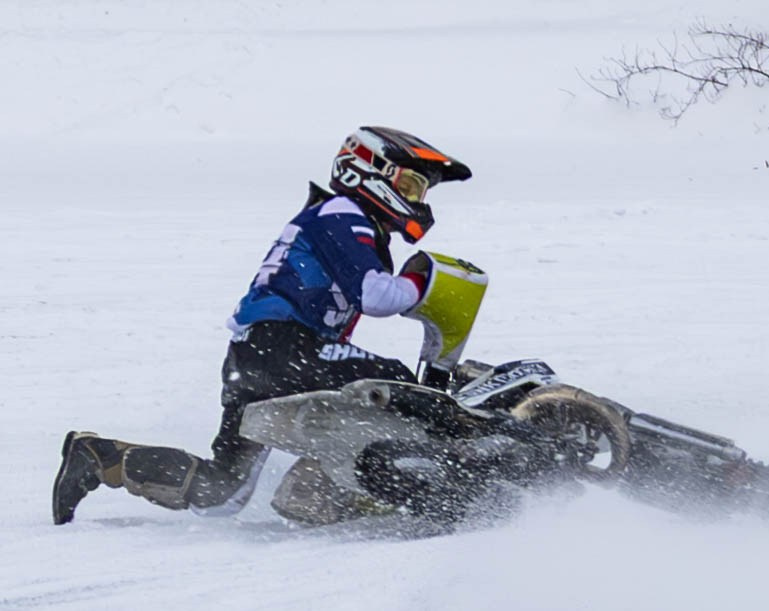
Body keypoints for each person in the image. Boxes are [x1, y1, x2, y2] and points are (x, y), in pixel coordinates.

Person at [52, 126, 472, 525]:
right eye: (411, 186)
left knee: (223, 492)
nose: (416, 199)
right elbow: (376, 295)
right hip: (287, 347)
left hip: (253, 356)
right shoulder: (344, 213)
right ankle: (405, 479)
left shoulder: (333, 216)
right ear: (370, 173)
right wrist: (427, 277)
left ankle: (101, 457)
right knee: (396, 383)